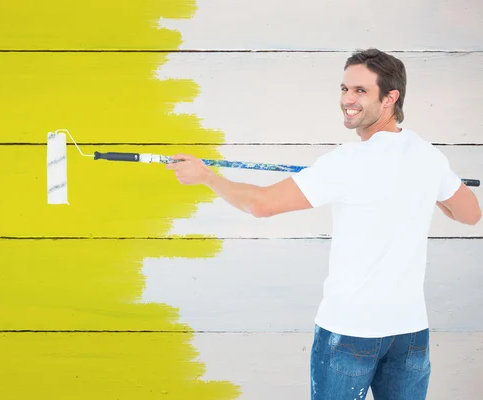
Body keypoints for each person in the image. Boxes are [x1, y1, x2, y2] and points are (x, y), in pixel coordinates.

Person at [165, 48, 481, 400]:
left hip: (349, 333)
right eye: (345, 89)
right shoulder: (427, 156)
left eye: (361, 91)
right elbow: (469, 213)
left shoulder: (347, 162)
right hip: (409, 335)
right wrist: (422, 182)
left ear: (391, 97)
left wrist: (207, 177)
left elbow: (261, 205)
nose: (348, 99)